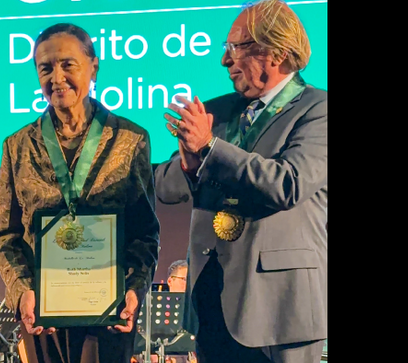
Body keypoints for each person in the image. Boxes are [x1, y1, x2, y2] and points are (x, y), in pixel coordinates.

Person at [154, 1, 326, 362]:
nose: (225, 61)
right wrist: (188, 163)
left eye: (236, 48)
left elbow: (288, 184)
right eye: (225, 49)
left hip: (282, 308)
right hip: (212, 298)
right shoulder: (217, 112)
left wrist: (210, 148)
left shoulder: (318, 111)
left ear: (276, 52)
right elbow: (165, 188)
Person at [0, 22, 160, 363]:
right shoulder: (17, 146)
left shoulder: (130, 139)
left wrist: (134, 289)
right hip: (41, 315)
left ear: (94, 66)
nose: (57, 77)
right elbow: (2, 233)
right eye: (45, 68)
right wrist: (23, 291)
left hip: (108, 312)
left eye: (68, 64)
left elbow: (145, 232)